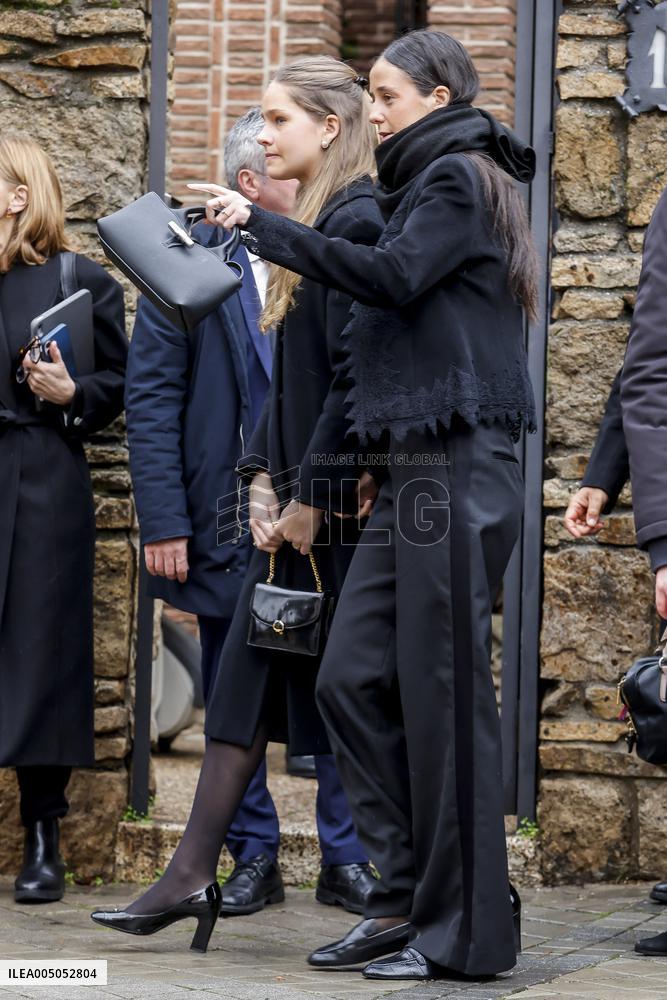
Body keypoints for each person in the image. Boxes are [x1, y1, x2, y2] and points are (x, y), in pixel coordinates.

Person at [195, 30, 538, 980]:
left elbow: (388, 279)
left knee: (444, 699)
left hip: (460, 464)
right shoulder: (413, 185)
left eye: (385, 96)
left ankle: (466, 929)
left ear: (435, 97)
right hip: (412, 471)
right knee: (348, 676)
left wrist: (258, 224)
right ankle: (403, 896)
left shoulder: (459, 180)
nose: (373, 111)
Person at [91, 56, 384, 952]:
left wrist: (319, 487)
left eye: (273, 125)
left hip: (324, 508)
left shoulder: (337, 243)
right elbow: (150, 399)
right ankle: (244, 856)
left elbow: (339, 379)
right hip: (229, 514)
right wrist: (169, 520)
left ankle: (352, 858)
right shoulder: (191, 264)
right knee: (234, 681)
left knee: (334, 681)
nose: (259, 150)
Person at [0, 135, 127, 903]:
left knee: (42, 654)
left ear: (18, 195)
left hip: (42, 477)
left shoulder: (77, 281)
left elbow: (115, 385)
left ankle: (43, 837)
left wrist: (67, 393)